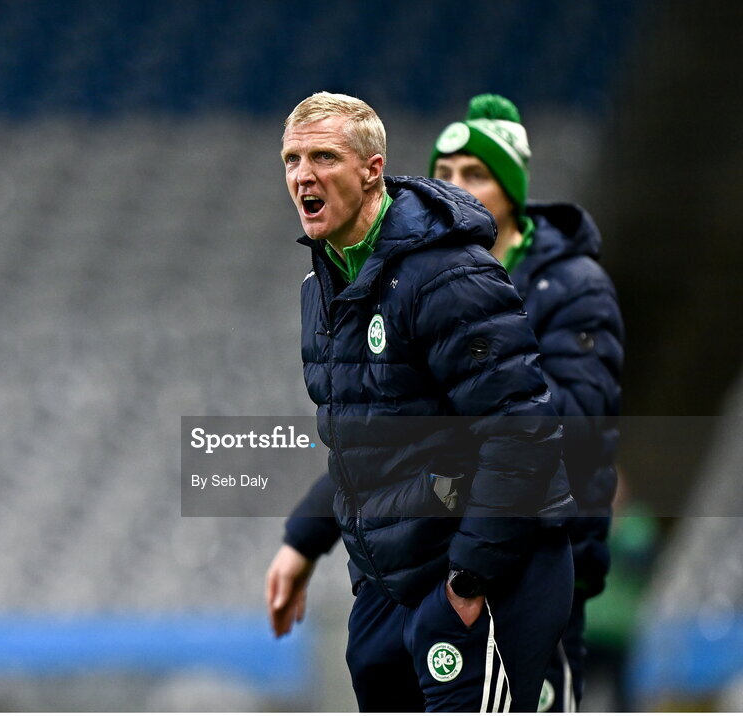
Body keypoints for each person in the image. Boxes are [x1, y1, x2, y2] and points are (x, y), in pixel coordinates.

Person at [267, 93, 624, 712]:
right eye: (292, 159)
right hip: (398, 582)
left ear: (372, 169)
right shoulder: (322, 285)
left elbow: (527, 429)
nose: (304, 174)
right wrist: (308, 539)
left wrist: (470, 576)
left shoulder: (455, 277)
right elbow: (368, 440)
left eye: (323, 156)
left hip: (482, 573)